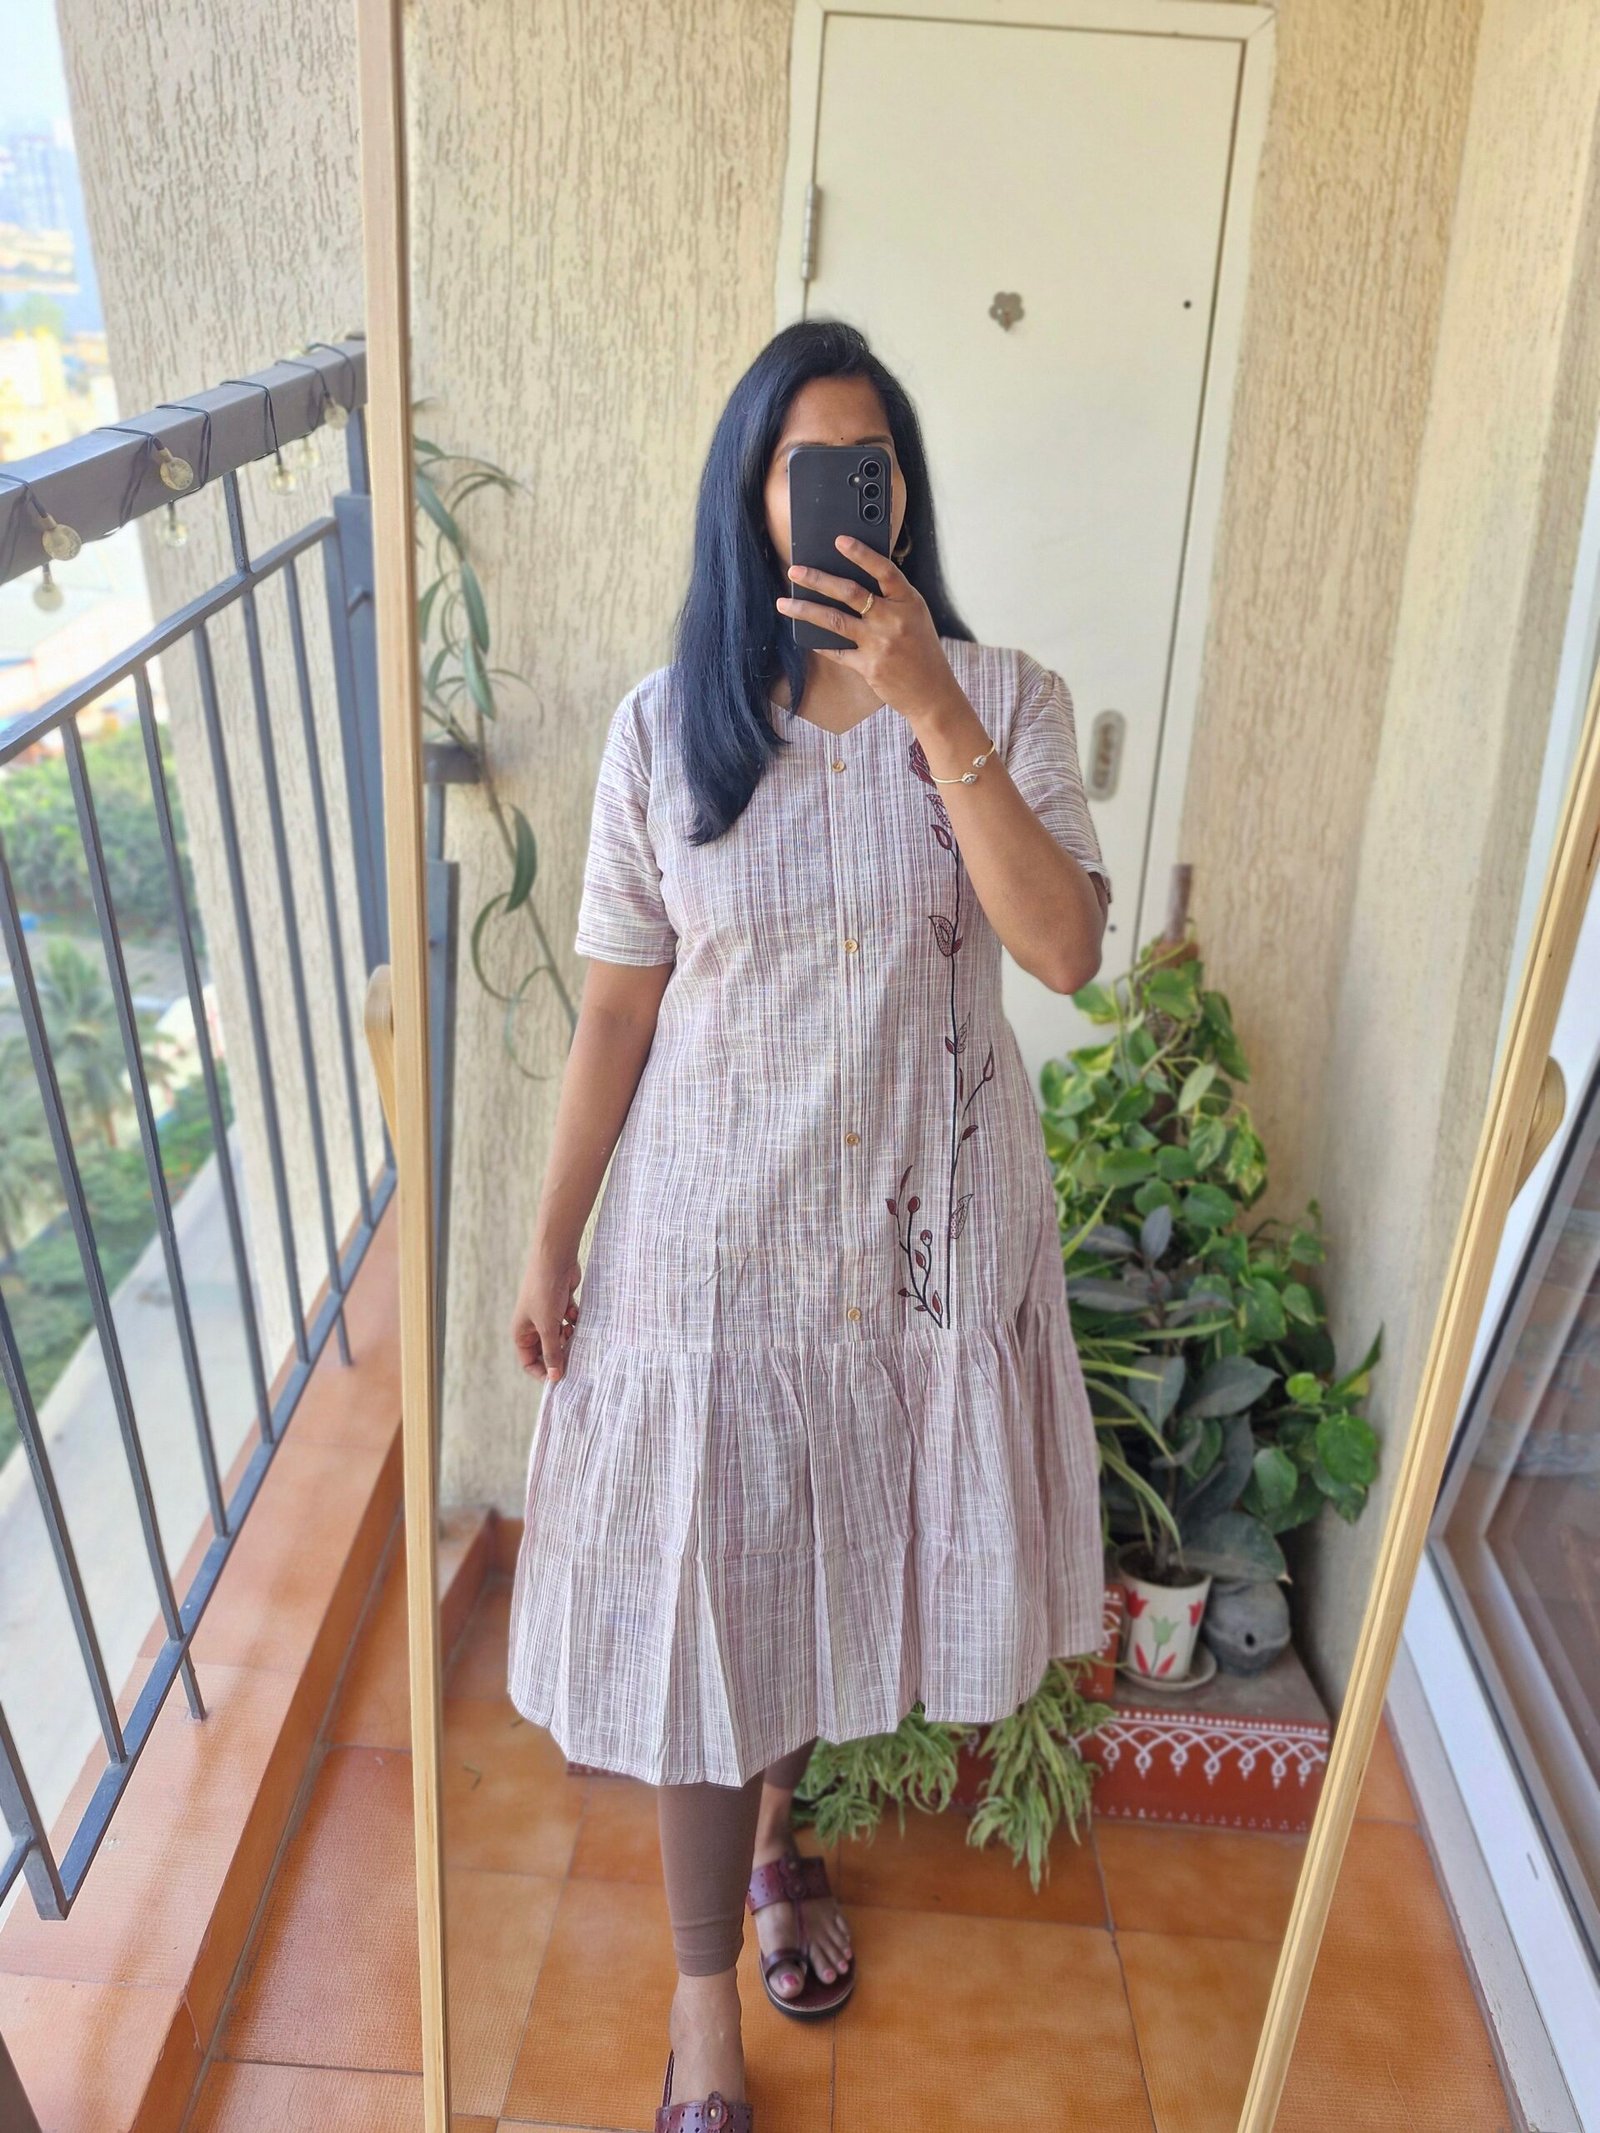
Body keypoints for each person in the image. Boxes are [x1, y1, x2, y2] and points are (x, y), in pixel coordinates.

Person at [506, 317, 1112, 2132]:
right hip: (717, 1254)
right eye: (807, 465)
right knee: (716, 1610)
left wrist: (932, 710)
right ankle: (703, 2004)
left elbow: (1065, 948)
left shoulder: (1006, 700)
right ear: (752, 497)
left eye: (875, 465)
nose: (849, 494)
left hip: (922, 1259)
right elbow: (617, 1012)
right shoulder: (663, 727)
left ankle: (787, 1837)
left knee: (846, 1569)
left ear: (902, 498)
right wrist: (551, 1235)